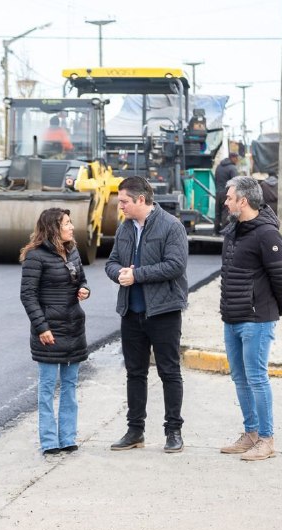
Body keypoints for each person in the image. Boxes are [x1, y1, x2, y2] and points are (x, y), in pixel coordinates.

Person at [105, 176, 189, 454]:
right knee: (135, 373)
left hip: (164, 311)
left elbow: (175, 265)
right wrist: (119, 273)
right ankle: (135, 431)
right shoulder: (125, 228)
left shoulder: (171, 226)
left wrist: (137, 275)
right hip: (131, 311)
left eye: (124, 202)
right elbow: (111, 262)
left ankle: (173, 431)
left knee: (169, 372)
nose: (120, 207)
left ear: (141, 199)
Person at [219, 175, 282, 461]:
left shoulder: (267, 234)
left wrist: (271, 312)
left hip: (257, 319)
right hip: (232, 318)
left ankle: (266, 439)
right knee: (240, 378)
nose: (225, 202)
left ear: (243, 201)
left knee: (257, 379)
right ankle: (250, 434)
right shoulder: (233, 231)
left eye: (229, 197)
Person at [20, 208, 91, 455]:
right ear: (53, 228)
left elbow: (81, 279)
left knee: (70, 386)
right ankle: (49, 441)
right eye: (67, 223)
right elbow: (28, 296)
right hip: (49, 332)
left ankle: (68, 437)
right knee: (48, 388)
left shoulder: (73, 251)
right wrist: (42, 327)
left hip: (74, 328)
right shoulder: (35, 256)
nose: (72, 227)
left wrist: (84, 290)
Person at [214, 151, 240, 235]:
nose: (237, 160)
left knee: (217, 213)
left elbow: (215, 180)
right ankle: (224, 232)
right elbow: (236, 183)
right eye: (237, 158)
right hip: (227, 194)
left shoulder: (219, 167)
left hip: (218, 193)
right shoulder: (232, 168)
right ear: (233, 158)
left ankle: (216, 231)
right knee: (226, 212)